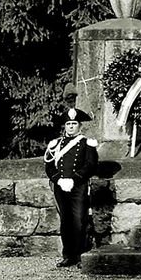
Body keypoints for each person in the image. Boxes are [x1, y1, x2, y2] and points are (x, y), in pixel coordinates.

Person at [44, 107, 98, 268]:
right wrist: (58, 180)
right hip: (61, 187)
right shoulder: (56, 144)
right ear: (65, 126)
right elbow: (49, 166)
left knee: (79, 220)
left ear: (80, 126)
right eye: (68, 124)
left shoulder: (86, 143)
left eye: (74, 123)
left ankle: (81, 256)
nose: (71, 127)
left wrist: (74, 179)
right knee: (65, 221)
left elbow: (90, 165)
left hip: (78, 186)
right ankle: (68, 255)